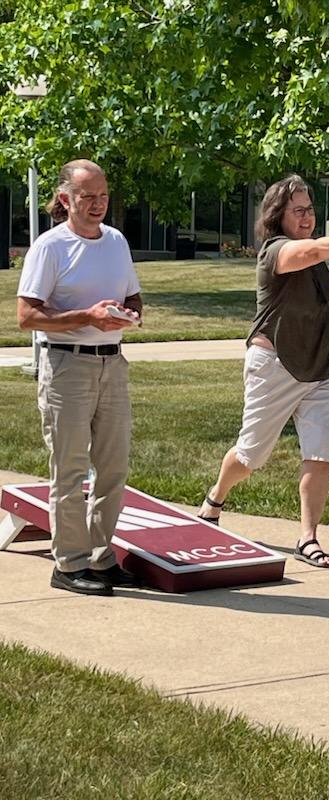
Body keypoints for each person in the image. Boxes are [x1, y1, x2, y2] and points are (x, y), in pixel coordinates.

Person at [198, 174, 329, 567]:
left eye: (310, 210)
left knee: (320, 455)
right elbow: (308, 253)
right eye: (298, 211)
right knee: (251, 457)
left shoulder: (314, 260)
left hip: (319, 367)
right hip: (275, 366)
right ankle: (215, 499)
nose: (306, 217)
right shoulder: (276, 251)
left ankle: (309, 537)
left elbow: (328, 288)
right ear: (278, 216)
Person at [17, 159, 143, 596]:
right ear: (65, 198)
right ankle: (68, 564)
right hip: (67, 366)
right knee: (70, 470)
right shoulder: (50, 247)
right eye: (88, 196)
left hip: (113, 364)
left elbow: (133, 294)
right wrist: (84, 317)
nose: (97, 204)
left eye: (103, 195)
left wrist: (127, 316)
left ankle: (101, 556)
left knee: (113, 467)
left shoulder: (117, 242)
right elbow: (27, 315)